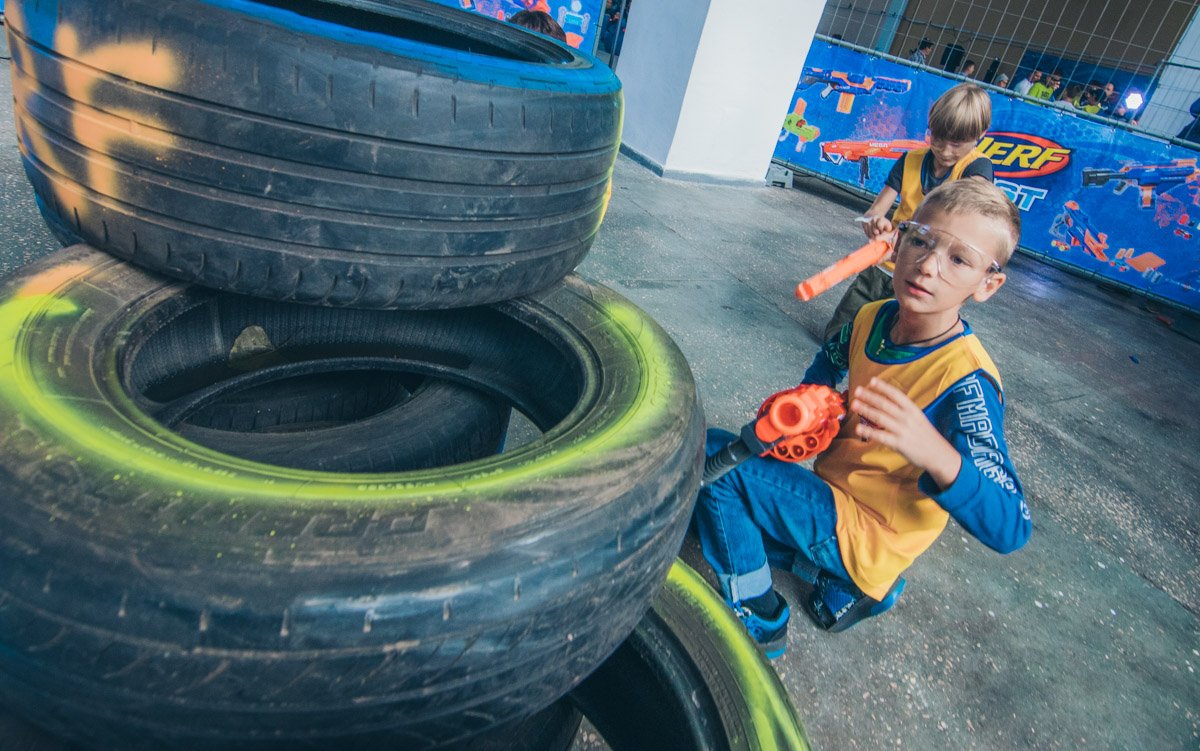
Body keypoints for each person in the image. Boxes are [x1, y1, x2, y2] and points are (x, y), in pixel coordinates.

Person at [695, 179, 1031, 656]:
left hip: (869, 530)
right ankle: (859, 583)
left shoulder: (967, 384)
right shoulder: (873, 316)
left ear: (988, 284)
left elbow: (1010, 525)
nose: (929, 265)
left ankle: (761, 621)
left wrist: (937, 453)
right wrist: (808, 411)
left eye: (960, 259)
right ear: (899, 240)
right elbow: (828, 365)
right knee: (696, 505)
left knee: (715, 463)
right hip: (832, 493)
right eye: (921, 239)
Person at [822, 83, 994, 340]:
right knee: (836, 337)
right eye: (937, 138)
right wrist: (875, 222)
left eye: (956, 144)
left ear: (981, 134)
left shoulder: (977, 170)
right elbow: (875, 210)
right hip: (883, 264)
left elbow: (966, 223)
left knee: (894, 344)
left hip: (923, 276)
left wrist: (905, 232)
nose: (945, 151)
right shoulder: (911, 160)